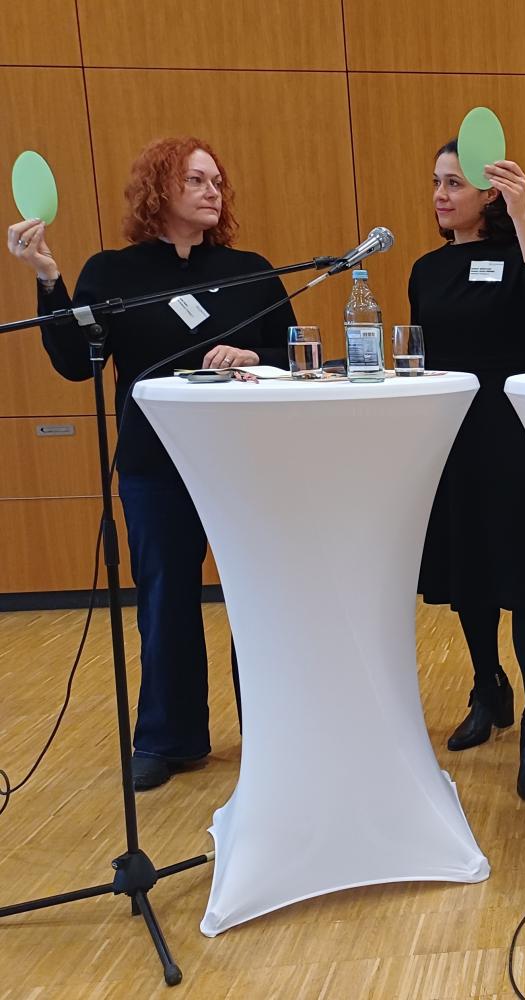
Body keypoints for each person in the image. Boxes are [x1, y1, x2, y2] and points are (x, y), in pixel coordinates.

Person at [6, 136, 294, 791]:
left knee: (258, 597)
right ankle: (168, 738)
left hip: (248, 462)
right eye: (195, 180)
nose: (212, 191)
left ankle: (274, 728)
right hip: (155, 463)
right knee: (165, 599)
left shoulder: (250, 269)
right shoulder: (113, 273)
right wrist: (49, 279)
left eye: (216, 181)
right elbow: (74, 363)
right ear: (159, 190)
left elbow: (295, 352)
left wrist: (253, 357)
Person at [411, 139, 525, 801]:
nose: (441, 195)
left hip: (508, 433)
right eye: (437, 182)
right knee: (467, 576)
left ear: (488, 193)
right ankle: (487, 687)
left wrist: (523, 212)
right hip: (448, 434)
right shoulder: (424, 270)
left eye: (454, 183)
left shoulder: (514, 257)